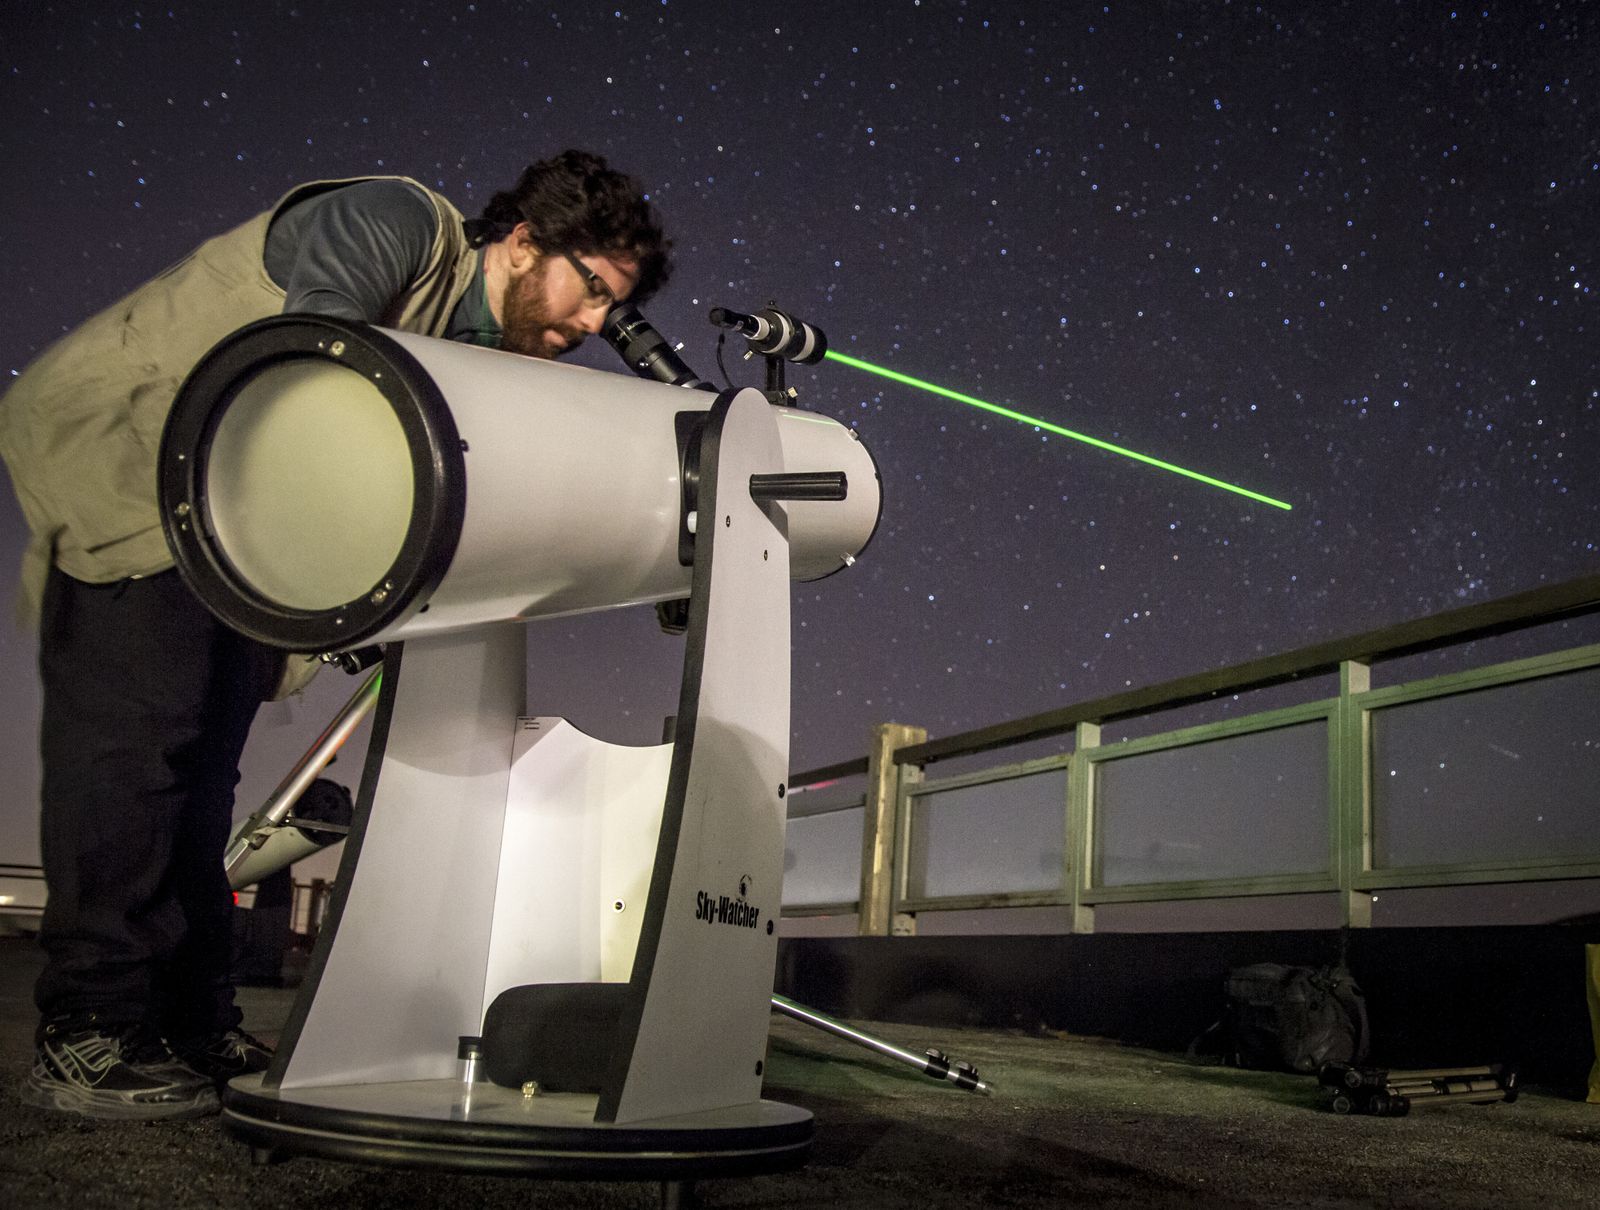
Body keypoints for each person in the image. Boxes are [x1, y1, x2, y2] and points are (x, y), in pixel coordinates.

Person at [0, 150, 673, 1119]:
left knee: (201, 781)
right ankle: (87, 1031)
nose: (597, 324)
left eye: (615, 307)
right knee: (131, 754)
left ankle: (192, 1019)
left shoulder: (476, 355)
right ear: (526, 241)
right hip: (132, 468)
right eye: (595, 289)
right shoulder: (397, 223)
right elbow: (311, 373)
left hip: (235, 525)